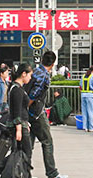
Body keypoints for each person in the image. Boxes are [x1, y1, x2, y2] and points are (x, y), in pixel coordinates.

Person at [27, 50, 69, 178]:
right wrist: (25, 107)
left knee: (27, 145)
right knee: (47, 142)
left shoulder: (35, 71)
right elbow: (34, 95)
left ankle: (22, 170)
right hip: (37, 114)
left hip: (30, 113)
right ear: (53, 63)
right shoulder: (44, 75)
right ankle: (52, 173)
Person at [9, 63, 34, 167]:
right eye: (29, 75)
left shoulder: (17, 87)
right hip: (19, 125)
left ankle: (19, 173)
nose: (30, 78)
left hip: (22, 124)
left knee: (17, 152)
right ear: (24, 74)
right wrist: (19, 129)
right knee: (26, 152)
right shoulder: (17, 90)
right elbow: (17, 110)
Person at [81, 66, 93, 132]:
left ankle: (85, 127)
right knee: (91, 112)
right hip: (91, 96)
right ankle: (91, 127)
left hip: (83, 95)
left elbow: (80, 87)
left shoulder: (83, 77)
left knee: (84, 112)